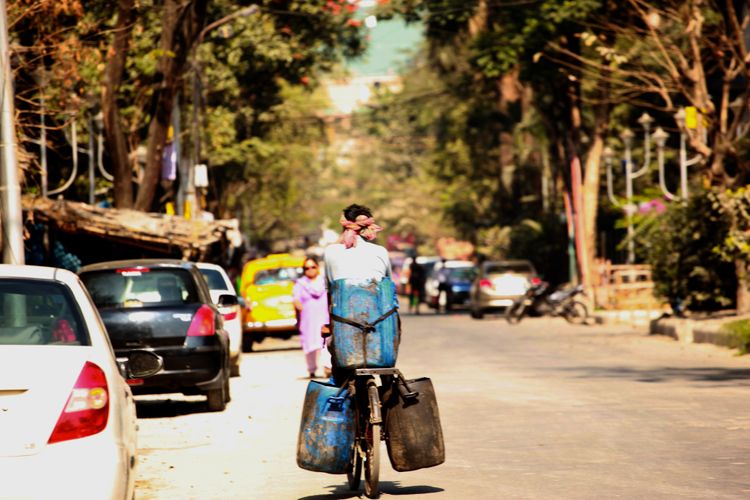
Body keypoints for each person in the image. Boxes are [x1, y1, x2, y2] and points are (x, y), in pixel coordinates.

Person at [323, 204, 394, 378]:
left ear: (344, 226)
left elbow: (329, 292)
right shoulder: (381, 252)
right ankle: (387, 381)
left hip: (344, 326)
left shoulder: (331, 252)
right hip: (380, 325)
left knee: (338, 368)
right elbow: (390, 287)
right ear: (369, 227)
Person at [293, 256, 331, 378]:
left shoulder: (325, 282)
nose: (310, 270)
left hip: (324, 318)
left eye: (312, 267)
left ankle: (328, 368)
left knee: (325, 343)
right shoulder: (300, 284)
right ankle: (311, 369)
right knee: (309, 345)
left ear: (317, 268)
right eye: (306, 268)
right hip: (308, 320)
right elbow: (296, 299)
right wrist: (298, 306)